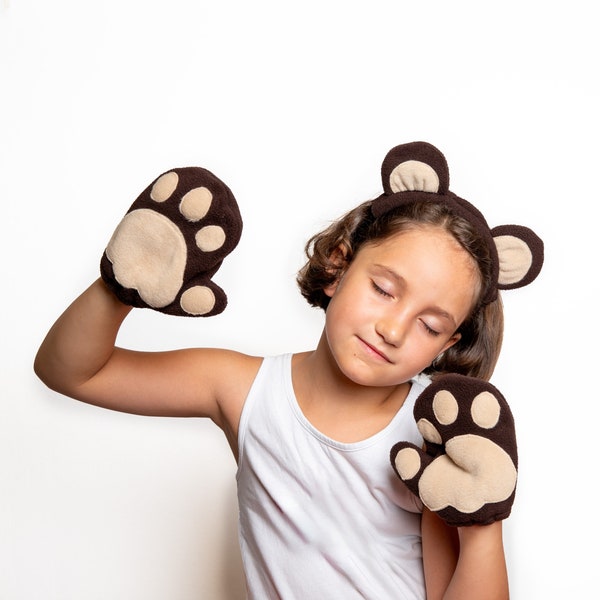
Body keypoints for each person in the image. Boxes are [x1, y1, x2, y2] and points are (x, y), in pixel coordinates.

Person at [34, 142, 543, 599]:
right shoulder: (242, 389)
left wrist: (483, 523)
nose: (393, 328)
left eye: (429, 325)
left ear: (447, 344)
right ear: (339, 268)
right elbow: (73, 372)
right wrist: (119, 288)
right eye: (384, 290)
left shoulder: (435, 429)